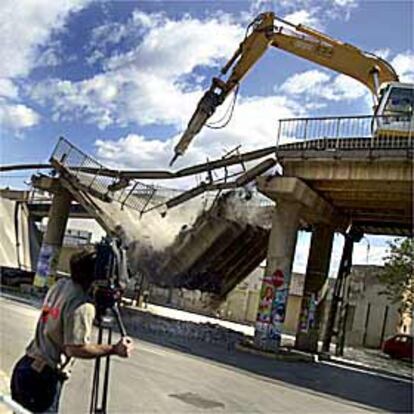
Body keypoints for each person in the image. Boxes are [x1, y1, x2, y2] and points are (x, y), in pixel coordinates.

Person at [10, 250, 134, 413]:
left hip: (26, 367)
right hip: (43, 379)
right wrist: (114, 349)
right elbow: (75, 348)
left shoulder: (61, 285)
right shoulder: (82, 304)